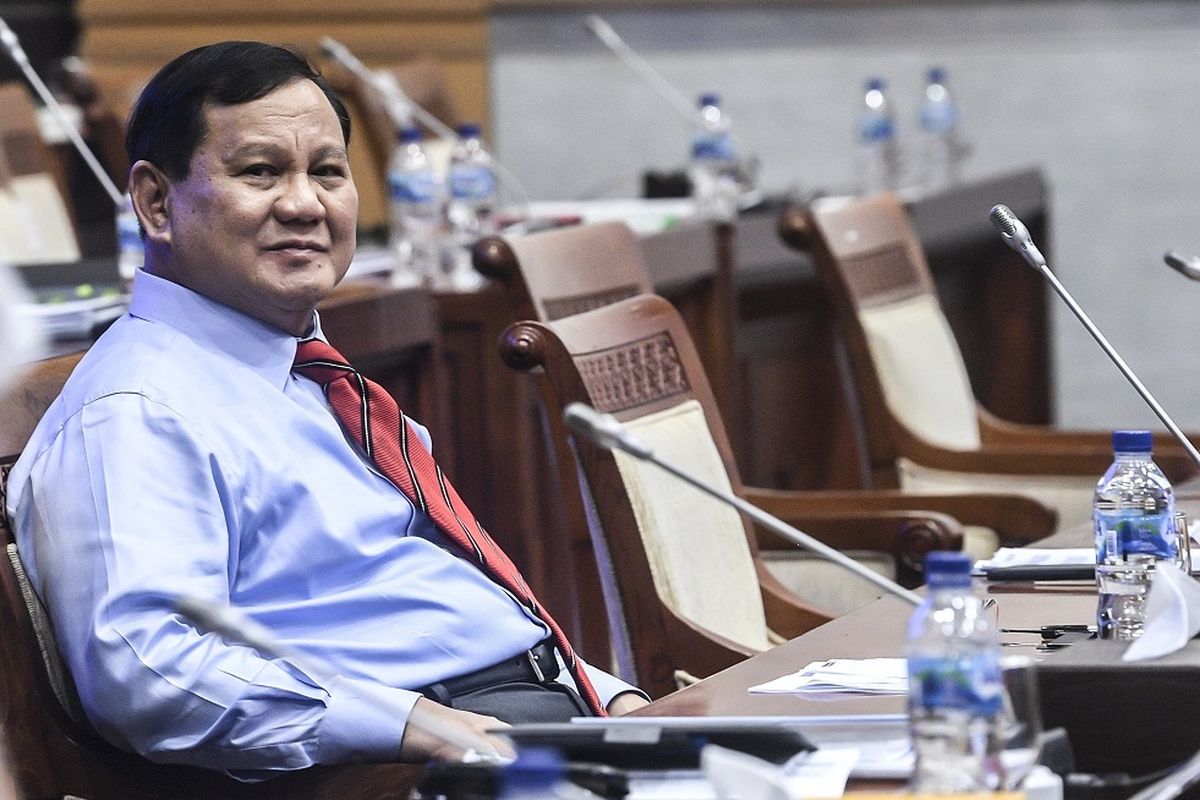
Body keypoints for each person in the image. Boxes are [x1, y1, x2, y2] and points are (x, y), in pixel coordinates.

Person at [5, 41, 647, 781]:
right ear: (155, 202)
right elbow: (144, 671)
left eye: (328, 172)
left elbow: (429, 592)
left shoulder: (308, 376)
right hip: (408, 768)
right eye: (260, 172)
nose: (305, 204)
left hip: (536, 718)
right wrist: (402, 725)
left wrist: (611, 698)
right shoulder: (138, 410)